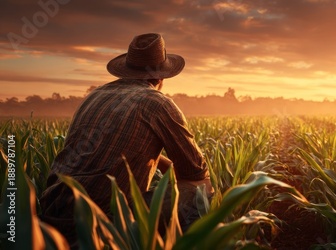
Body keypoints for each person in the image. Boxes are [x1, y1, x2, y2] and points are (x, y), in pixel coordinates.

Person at [40, 33, 213, 248]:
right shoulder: (157, 102)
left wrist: (164, 165)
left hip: (54, 213)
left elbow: (108, 149)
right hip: (107, 220)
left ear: (127, 69)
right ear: (161, 78)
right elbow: (195, 171)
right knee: (201, 188)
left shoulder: (94, 96)